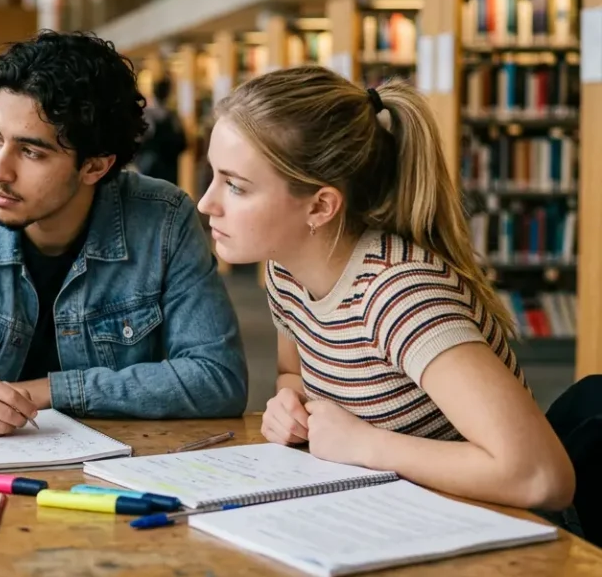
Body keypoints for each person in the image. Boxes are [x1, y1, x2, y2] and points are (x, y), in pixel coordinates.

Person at [197, 65, 574, 511]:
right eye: (214, 176)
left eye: (236, 187)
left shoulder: (400, 295)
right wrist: (289, 403)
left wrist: (365, 445)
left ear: (320, 206)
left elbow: (541, 477)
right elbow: (294, 374)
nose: (206, 203)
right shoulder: (287, 274)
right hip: (394, 514)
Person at [0, 31, 247, 436]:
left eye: (31, 152)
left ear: (95, 167)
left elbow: (217, 378)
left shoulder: (163, 219)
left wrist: (47, 391)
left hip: (121, 474)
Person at [134, 76, 188, 185]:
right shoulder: (171, 116)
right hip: (167, 168)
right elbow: (182, 143)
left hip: (150, 168)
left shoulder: (147, 114)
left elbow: (139, 141)